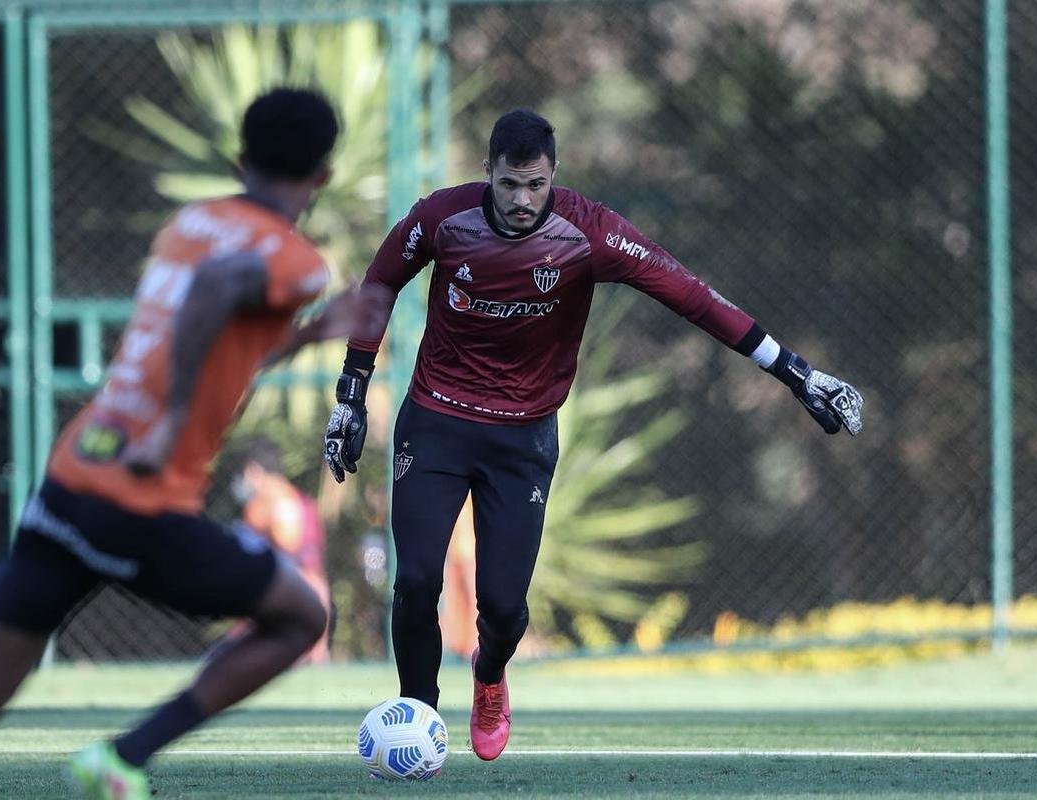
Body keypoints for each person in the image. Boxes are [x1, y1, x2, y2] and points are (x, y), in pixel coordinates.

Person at [323, 108, 864, 762]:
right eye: (509, 185)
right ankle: (420, 720)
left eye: (536, 185)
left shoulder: (590, 233)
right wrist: (350, 395)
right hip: (436, 423)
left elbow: (694, 297)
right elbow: (378, 282)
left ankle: (490, 675)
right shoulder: (442, 218)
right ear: (487, 174)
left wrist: (796, 372)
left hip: (521, 441)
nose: (523, 201)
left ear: (554, 177)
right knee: (414, 583)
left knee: (501, 607)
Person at [0, 87, 356, 799]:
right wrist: (171, 423)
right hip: (145, 502)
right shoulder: (297, 261)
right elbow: (220, 291)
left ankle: (121, 757)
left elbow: (211, 330)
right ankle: (127, 754)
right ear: (324, 177)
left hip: (74, 477)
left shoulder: (189, 225)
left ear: (240, 158)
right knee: (301, 617)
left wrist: (310, 334)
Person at [230, 437, 334, 664]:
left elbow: (298, 562)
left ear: (253, 469)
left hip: (285, 596)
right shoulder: (297, 501)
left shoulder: (277, 502)